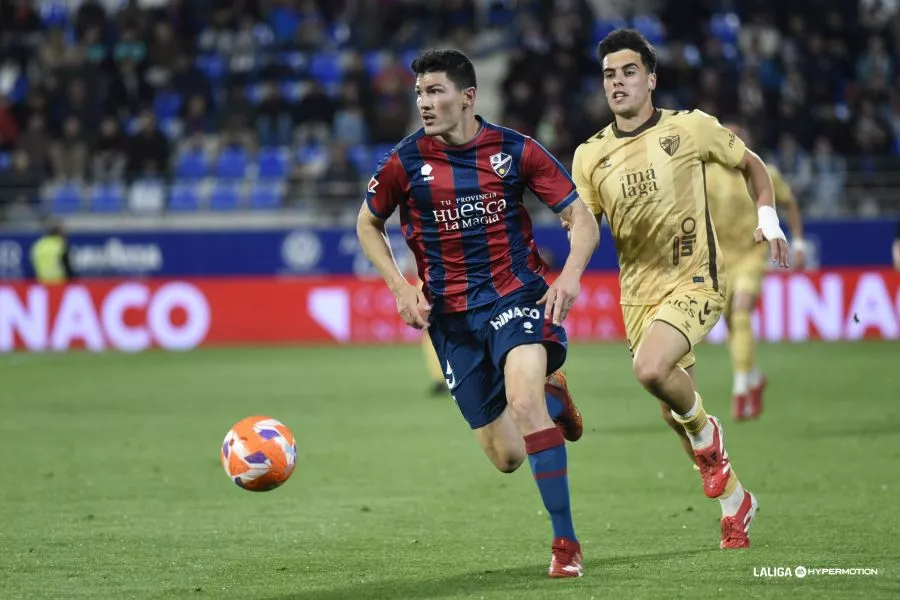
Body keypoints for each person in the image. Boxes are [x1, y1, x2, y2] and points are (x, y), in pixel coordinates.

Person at [356, 49, 599, 577]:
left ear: (467, 97)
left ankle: (565, 544)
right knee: (507, 457)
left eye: (436, 91)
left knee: (522, 399)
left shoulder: (516, 150)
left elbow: (580, 218)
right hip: (452, 322)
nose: (425, 102)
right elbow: (366, 224)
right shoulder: (404, 161)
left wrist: (574, 273)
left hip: (515, 299)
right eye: (420, 93)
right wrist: (400, 288)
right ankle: (556, 401)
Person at [570, 29, 789, 549]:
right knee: (672, 409)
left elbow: (751, 164)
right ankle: (737, 502)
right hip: (637, 295)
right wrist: (568, 271)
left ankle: (712, 436)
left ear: (650, 78)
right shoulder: (589, 156)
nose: (618, 82)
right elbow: (585, 224)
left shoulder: (690, 128)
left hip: (697, 280)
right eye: (609, 75)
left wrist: (768, 215)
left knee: (650, 369)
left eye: (628, 72)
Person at [709, 122, 808, 421]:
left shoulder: (761, 171)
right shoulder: (706, 174)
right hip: (720, 260)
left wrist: (799, 242)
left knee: (741, 311)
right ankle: (753, 376)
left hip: (751, 255)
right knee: (730, 322)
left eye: (739, 138)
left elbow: (789, 203)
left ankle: (740, 388)